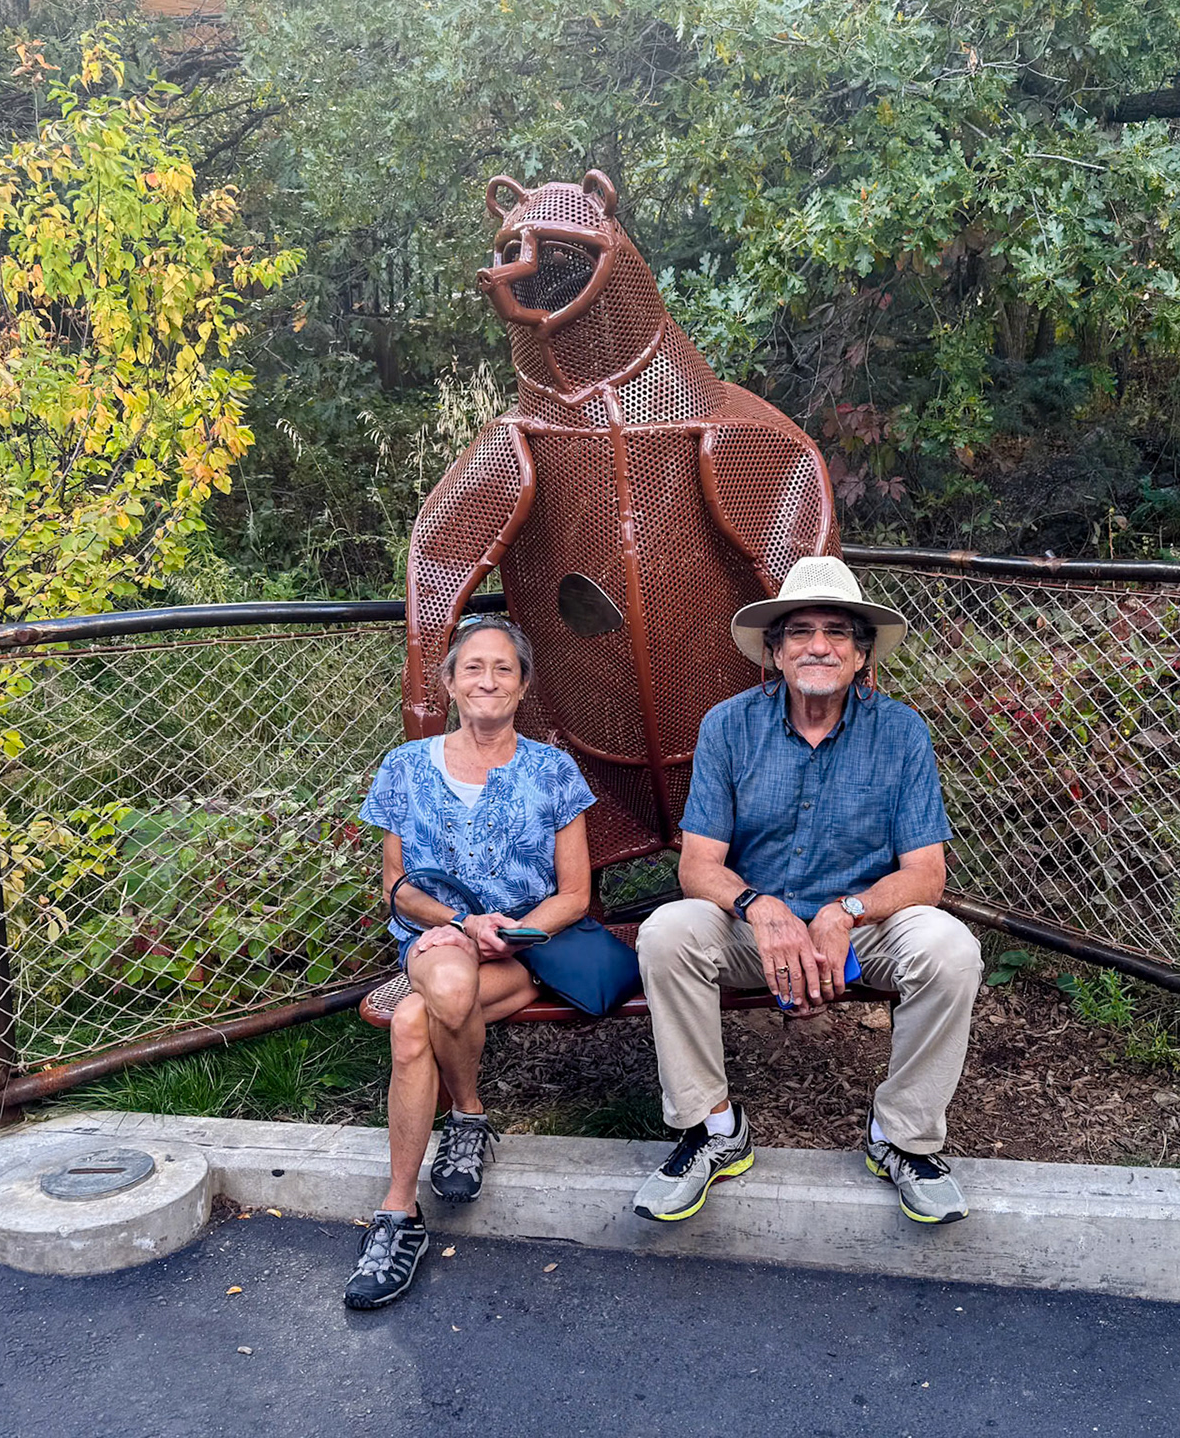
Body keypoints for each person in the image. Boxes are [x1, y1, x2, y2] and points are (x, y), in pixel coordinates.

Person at [631, 556, 982, 1226]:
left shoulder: (900, 732)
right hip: (754, 929)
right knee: (668, 932)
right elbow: (698, 865)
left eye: (837, 632)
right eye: (799, 631)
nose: (818, 645)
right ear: (774, 651)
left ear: (859, 656)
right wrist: (759, 908)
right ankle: (712, 1130)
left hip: (864, 925)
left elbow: (925, 875)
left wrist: (844, 913)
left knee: (951, 948)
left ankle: (902, 1139)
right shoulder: (728, 726)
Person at [343, 615, 597, 1309]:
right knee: (447, 976)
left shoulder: (554, 771)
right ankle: (468, 1120)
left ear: (522, 687)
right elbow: (398, 886)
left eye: (504, 669)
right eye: (473, 667)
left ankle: (400, 1213)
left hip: (525, 952)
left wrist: (509, 932)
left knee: (412, 1025)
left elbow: (575, 895)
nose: (488, 679)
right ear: (451, 683)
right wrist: (458, 922)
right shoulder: (405, 767)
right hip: (434, 943)